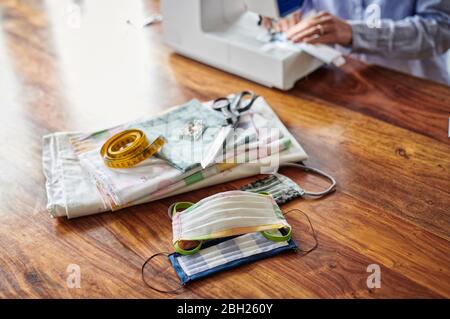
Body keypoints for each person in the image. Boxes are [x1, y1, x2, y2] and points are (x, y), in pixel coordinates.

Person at [263, 0, 450, 85]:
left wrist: (353, 32)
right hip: (342, 81)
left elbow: (440, 31)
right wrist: (287, 13)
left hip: (416, 88)